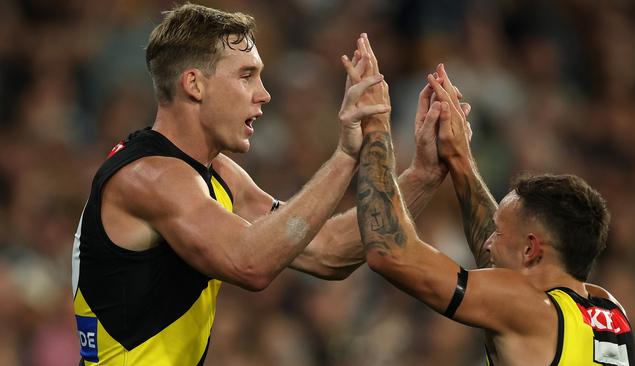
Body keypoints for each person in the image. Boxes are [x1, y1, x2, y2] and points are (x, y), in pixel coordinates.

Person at [71, 3, 453, 365]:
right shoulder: (150, 176)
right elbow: (250, 264)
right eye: (246, 75)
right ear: (194, 84)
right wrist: (345, 156)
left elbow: (327, 251)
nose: (263, 93)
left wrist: (423, 175)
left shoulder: (218, 173)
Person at [355, 54, 635, 364]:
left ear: (531, 248)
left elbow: (390, 253)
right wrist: (460, 158)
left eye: (500, 232)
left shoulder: (527, 308)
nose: (488, 241)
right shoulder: (609, 308)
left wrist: (376, 126)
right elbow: (503, 258)